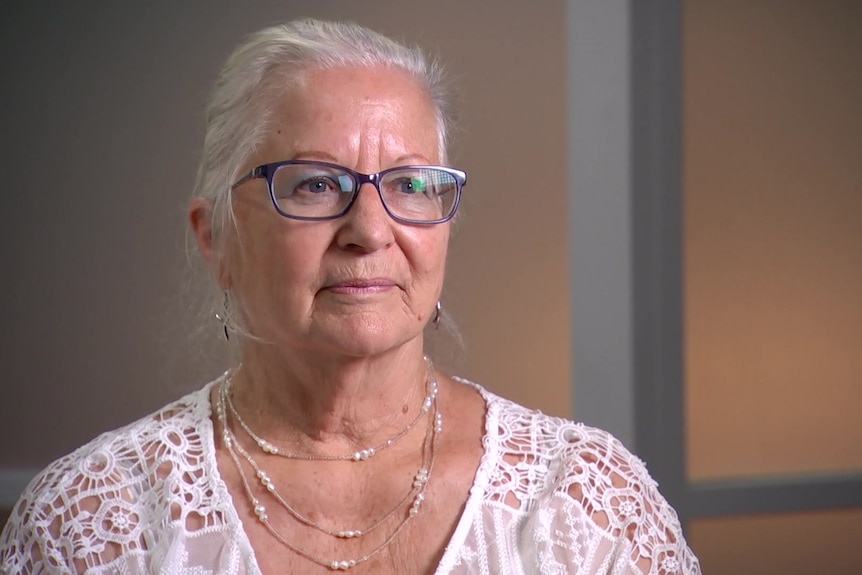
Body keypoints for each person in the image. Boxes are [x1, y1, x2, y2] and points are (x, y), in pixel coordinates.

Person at [0, 18, 700, 574]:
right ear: (214, 236)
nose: (369, 230)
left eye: (410, 185)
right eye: (313, 183)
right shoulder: (93, 523)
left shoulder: (584, 501)